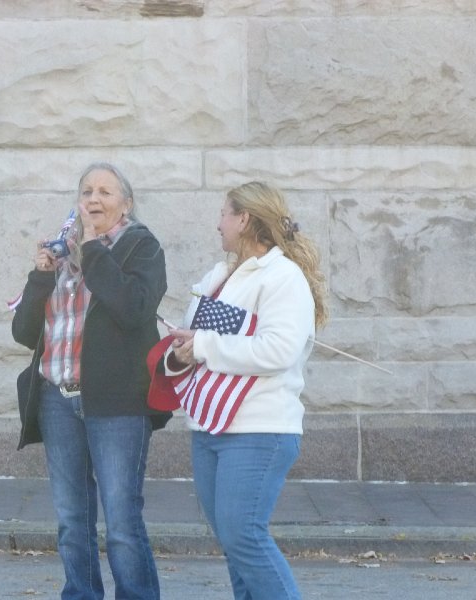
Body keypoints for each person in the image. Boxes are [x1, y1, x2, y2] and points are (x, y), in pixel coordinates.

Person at [158, 181, 328, 600]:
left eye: (223, 214)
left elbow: (279, 350)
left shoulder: (282, 277)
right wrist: (181, 353)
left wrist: (204, 345)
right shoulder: (219, 277)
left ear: (244, 219)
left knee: (244, 537)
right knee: (235, 546)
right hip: (210, 426)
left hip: (259, 427)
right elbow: (194, 344)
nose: (218, 224)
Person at [11, 162, 170, 600]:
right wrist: (42, 275)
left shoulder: (141, 246)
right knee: (71, 521)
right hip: (57, 400)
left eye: (104, 192)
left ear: (126, 203)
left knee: (121, 521)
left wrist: (94, 250)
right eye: (86, 192)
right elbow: (24, 333)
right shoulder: (63, 254)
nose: (93, 200)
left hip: (116, 404)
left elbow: (132, 308)